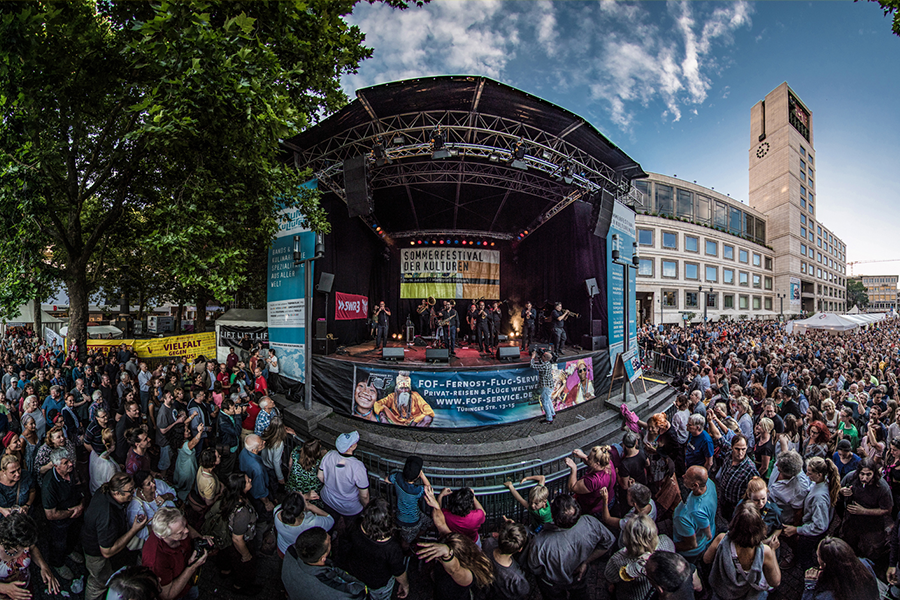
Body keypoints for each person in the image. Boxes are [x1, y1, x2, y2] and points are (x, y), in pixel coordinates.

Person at [524, 494, 615, 600]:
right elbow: (608, 542)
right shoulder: (590, 523)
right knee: (581, 595)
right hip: (579, 577)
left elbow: (534, 568)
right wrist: (585, 562)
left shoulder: (540, 542)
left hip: (552, 583)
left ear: (552, 515)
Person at [82, 473, 147, 600]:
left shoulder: (105, 489)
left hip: (93, 538)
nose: (134, 492)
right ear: (117, 493)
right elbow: (107, 552)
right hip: (96, 555)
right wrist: (134, 530)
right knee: (99, 582)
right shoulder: (107, 517)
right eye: (130, 491)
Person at [703, 502, 781, 600]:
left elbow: (706, 559)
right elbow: (775, 582)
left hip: (722, 592)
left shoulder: (721, 539)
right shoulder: (765, 552)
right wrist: (773, 550)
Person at [343, 498, 409, 600]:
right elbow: (398, 571)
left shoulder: (356, 525)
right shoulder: (391, 548)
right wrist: (405, 584)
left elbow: (345, 543)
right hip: (378, 583)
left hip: (355, 573)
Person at [783, 456, 841, 571]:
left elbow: (820, 526)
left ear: (819, 474)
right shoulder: (821, 482)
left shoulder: (819, 498)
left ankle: (811, 575)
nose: (807, 475)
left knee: (804, 556)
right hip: (812, 530)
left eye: (810, 473)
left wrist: (796, 530)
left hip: (812, 534)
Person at [141, 507, 209, 600]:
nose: (187, 531)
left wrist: (200, 539)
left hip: (189, 581)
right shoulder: (156, 560)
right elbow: (167, 595)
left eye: (184, 525)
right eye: (180, 533)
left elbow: (187, 529)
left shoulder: (177, 525)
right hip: (178, 594)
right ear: (164, 535)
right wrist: (193, 567)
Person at [282, 527, 367, 600]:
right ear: (323, 558)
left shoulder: (291, 552)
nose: (330, 536)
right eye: (329, 542)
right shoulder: (331, 586)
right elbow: (360, 592)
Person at [605, 516, 676, 600]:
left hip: (634, 596)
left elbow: (610, 577)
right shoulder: (666, 542)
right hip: (658, 592)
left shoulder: (618, 559)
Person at [42, 448, 85, 581]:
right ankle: (58, 564)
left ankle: (69, 551)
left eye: (69, 461)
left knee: (73, 536)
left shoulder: (72, 471)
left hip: (75, 516)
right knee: (58, 544)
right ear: (56, 466)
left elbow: (82, 488)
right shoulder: (49, 485)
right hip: (60, 522)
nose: (70, 464)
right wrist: (73, 512)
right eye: (65, 463)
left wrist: (81, 505)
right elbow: (50, 514)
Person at [838, 456, 893, 558]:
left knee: (872, 552)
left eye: (868, 474)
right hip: (851, 522)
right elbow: (838, 490)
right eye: (862, 474)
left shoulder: (882, 487)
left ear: (874, 473)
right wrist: (842, 491)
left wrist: (864, 511)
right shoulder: (850, 477)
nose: (864, 478)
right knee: (849, 547)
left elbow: (887, 510)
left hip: (872, 525)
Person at [216, 473, 259, 595]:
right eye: (247, 481)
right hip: (241, 543)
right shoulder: (242, 513)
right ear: (240, 488)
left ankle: (226, 571)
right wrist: (246, 554)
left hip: (228, 540)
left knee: (229, 558)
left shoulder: (230, 497)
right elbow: (237, 539)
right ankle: (239, 586)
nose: (250, 479)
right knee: (245, 568)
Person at [417, 532, 494, 600]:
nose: (437, 558)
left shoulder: (466, 576)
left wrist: (447, 556)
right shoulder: (471, 560)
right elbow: (442, 527)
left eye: (441, 557)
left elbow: (454, 569)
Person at [0, 512, 60, 597]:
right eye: (24, 547)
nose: (27, 549)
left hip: (24, 584)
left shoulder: (23, 539)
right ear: (12, 544)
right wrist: (5, 589)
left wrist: (43, 566)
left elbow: (32, 548)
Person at [802, 537, 879, 600]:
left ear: (824, 564)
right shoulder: (865, 564)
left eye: (818, 556)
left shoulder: (826, 596)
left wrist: (809, 586)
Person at [318, 431, 369, 524]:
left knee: (329, 524)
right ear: (351, 447)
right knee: (350, 527)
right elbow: (364, 495)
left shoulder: (329, 454)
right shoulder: (358, 466)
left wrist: (332, 484)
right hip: (349, 507)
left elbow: (319, 476)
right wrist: (367, 507)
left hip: (328, 499)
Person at [672, 466, 717, 562]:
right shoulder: (709, 483)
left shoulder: (684, 515)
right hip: (707, 536)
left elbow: (691, 545)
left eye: (687, 477)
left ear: (695, 486)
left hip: (693, 551)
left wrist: (671, 545)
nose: (683, 476)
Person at [386, 455, 432, 545]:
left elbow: (386, 479)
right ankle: (406, 548)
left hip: (400, 514)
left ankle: (414, 538)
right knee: (406, 541)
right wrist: (422, 475)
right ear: (417, 476)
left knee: (429, 523)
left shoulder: (397, 477)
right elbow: (429, 489)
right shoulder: (416, 491)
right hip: (411, 521)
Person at [274, 492, 334, 558]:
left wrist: (304, 497)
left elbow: (293, 506)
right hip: (299, 555)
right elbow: (330, 520)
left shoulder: (277, 511)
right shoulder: (312, 523)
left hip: (283, 549)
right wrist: (311, 506)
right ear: (303, 509)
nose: (301, 492)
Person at [128, 471, 178, 548]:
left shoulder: (159, 484)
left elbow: (173, 493)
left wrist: (165, 496)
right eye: (148, 484)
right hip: (158, 538)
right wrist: (162, 525)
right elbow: (140, 532)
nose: (153, 484)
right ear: (140, 488)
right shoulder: (135, 507)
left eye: (152, 480)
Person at [482, 520, 530, 600]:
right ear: (520, 549)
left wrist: (509, 529)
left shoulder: (488, 543)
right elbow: (524, 591)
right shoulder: (516, 577)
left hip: (490, 590)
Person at [716, 434, 758, 521]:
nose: (740, 453)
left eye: (743, 449)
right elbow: (719, 438)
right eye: (737, 449)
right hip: (724, 497)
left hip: (735, 504)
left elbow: (756, 489)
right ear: (732, 447)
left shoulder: (750, 468)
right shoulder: (729, 454)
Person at [566, 445, 616, 517]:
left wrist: (574, 468)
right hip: (609, 499)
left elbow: (572, 487)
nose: (588, 458)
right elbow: (594, 463)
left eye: (589, 458)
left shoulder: (593, 480)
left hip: (595, 509)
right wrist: (584, 456)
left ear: (597, 464)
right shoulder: (607, 462)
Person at [768, 450, 812, 525]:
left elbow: (798, 511)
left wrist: (794, 528)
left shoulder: (800, 488)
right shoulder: (781, 462)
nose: (776, 464)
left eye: (778, 465)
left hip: (783, 519)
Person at [239, 434, 273, 520]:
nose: (264, 442)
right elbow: (260, 490)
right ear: (254, 450)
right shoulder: (257, 469)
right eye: (261, 443)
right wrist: (267, 503)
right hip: (256, 494)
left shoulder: (244, 451)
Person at [90, 427, 121, 494]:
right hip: (103, 494)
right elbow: (113, 486)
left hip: (94, 491)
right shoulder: (110, 466)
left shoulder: (93, 453)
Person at [531, 350, 557, 424]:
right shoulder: (548, 364)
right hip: (550, 385)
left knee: (544, 402)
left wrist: (533, 357)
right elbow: (542, 362)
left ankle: (549, 418)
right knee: (548, 400)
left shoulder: (544, 366)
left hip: (546, 386)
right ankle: (552, 413)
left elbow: (532, 366)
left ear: (544, 358)